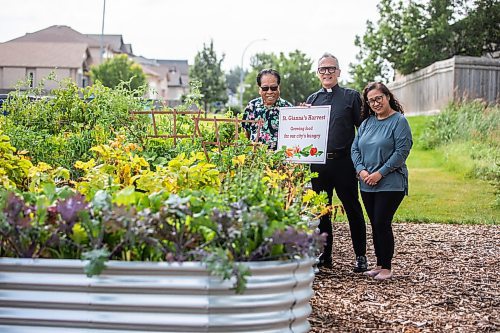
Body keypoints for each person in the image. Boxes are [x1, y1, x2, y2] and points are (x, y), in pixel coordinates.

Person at [305, 53, 368, 272]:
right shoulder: (312, 101)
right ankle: (325, 255)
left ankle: (361, 255)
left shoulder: (351, 97)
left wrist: (363, 160)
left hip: (344, 164)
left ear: (339, 72)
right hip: (319, 165)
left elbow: (364, 131)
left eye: (331, 69)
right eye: (323, 69)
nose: (327, 73)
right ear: (318, 74)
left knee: (352, 208)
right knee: (322, 211)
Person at [351, 81, 413, 280]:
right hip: (366, 182)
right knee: (375, 224)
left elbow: (402, 152)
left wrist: (380, 173)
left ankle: (387, 267)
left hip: (390, 182)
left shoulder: (399, 121)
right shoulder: (367, 123)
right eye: (371, 101)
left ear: (387, 97)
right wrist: (361, 170)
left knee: (381, 222)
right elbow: (355, 149)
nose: (375, 103)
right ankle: (379, 264)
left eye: (378, 98)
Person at [242, 68, 293, 150]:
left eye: (273, 88)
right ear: (259, 89)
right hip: (255, 159)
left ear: (278, 88)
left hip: (281, 160)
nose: (269, 92)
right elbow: (246, 134)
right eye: (265, 88)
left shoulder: (288, 108)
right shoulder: (251, 107)